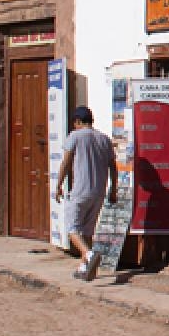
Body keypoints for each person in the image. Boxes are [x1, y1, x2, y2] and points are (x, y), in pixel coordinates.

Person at [54, 105, 117, 281]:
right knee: (88, 231)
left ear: (77, 122)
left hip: (80, 190)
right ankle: (85, 268)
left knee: (72, 229)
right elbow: (113, 166)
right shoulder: (104, 139)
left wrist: (59, 184)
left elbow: (66, 162)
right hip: (99, 191)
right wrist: (114, 188)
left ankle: (88, 255)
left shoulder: (75, 136)